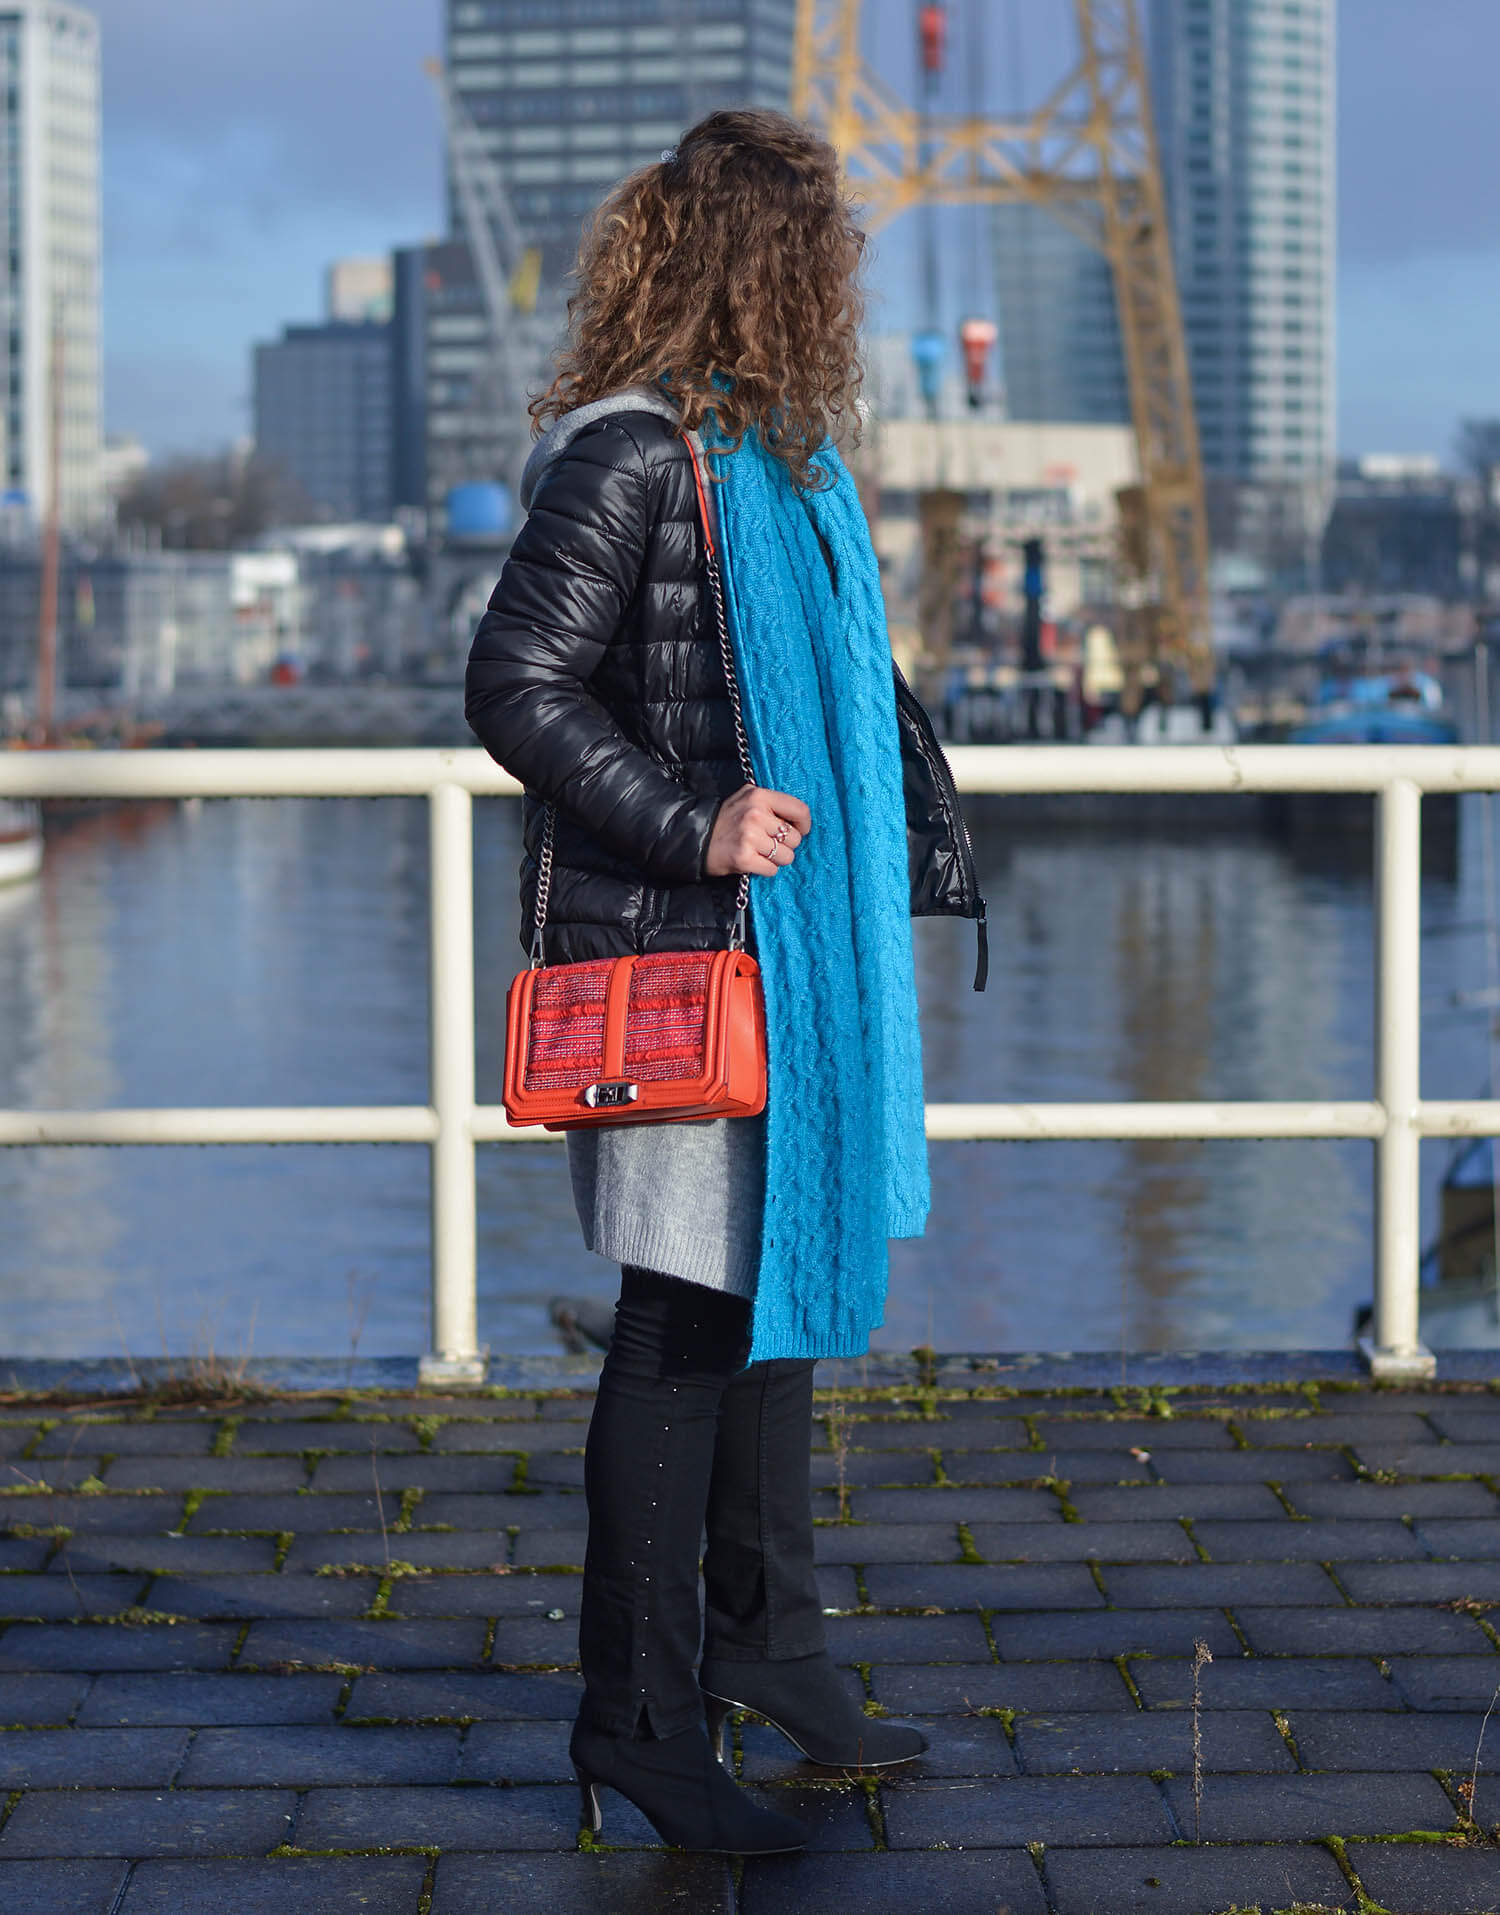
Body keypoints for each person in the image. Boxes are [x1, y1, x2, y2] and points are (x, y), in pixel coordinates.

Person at [465, 106, 986, 1857]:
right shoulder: (631, 457)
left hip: (797, 967)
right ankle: (638, 1723)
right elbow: (515, 691)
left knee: (772, 1325)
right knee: (683, 1334)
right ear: (767, 273)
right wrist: (695, 823)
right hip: (687, 961)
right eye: (825, 256)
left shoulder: (784, 464)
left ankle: (777, 1652)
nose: (843, 281)